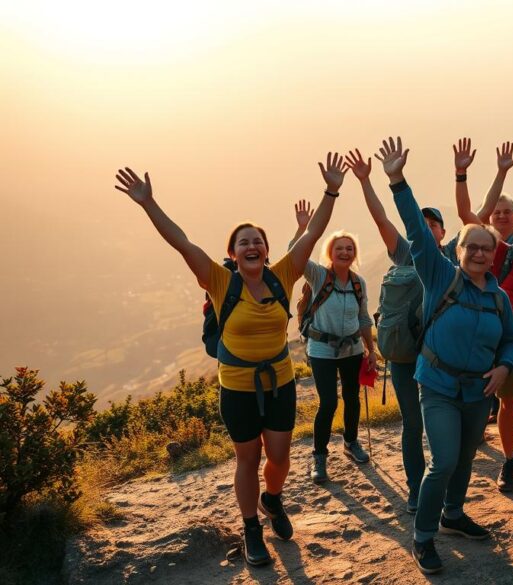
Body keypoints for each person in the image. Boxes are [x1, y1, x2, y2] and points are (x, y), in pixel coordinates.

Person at [112, 154, 343, 567]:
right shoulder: (219, 281)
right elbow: (182, 242)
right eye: (243, 242)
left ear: (267, 251)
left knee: (280, 457)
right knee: (248, 459)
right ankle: (252, 528)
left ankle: (273, 499)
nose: (251, 246)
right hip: (237, 387)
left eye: (257, 241)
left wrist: (331, 190)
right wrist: (148, 203)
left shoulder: (283, 274)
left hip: (280, 381)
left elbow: (313, 232)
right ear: (233, 254)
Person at [375, 137, 513, 575]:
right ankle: (423, 537)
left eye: (486, 248)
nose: (479, 253)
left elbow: (511, 340)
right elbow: (417, 232)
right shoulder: (440, 276)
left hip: (478, 390)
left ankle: (453, 515)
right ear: (458, 251)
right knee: (443, 462)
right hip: (437, 385)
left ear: (494, 255)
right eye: (471, 246)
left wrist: (504, 367)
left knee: (466, 458)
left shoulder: (498, 298)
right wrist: (398, 181)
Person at [345, 147, 446, 514]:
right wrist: (365, 180)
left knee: (441, 423)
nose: (427, 228)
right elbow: (381, 219)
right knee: (412, 423)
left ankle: (440, 488)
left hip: (443, 357)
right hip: (406, 354)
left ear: (443, 231)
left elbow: (477, 217)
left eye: (433, 224)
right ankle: (417, 490)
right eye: (422, 223)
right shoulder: (406, 253)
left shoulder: (454, 255)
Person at [450, 138, 513, 435]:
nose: (501, 215)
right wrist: (493, 173)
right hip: (485, 315)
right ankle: (492, 412)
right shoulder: (485, 243)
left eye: (507, 211)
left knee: (509, 369)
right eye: (497, 212)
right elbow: (466, 212)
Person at [289, 208, 375, 478]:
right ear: (330, 252)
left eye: (349, 248)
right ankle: (319, 456)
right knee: (328, 403)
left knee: (352, 398)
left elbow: (363, 318)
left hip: (353, 349)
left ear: (354, 253)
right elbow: (294, 254)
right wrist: (302, 229)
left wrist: (371, 350)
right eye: (340, 248)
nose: (345, 252)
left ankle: (351, 442)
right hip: (322, 350)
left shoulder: (358, 283)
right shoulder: (318, 276)